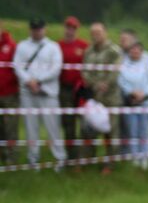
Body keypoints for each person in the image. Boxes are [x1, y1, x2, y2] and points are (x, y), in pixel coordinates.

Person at [15, 18, 67, 165]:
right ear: (30, 29)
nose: (36, 32)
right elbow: (17, 67)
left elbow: (56, 68)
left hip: (48, 92)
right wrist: (29, 81)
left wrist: (38, 80)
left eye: (39, 29)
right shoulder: (22, 46)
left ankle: (60, 159)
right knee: (31, 128)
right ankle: (33, 159)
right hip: (28, 93)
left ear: (44, 29)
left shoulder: (53, 46)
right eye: (34, 29)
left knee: (53, 127)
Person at [81, 22, 124, 169]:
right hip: (94, 98)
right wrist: (94, 84)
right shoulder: (88, 51)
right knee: (88, 130)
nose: (96, 36)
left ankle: (110, 165)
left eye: (98, 32)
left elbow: (116, 70)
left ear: (105, 32)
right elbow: (84, 71)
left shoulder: (114, 50)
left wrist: (105, 83)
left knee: (111, 132)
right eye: (93, 33)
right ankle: (87, 160)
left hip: (111, 98)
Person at [117, 38, 148, 169]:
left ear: (142, 51)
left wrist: (143, 94)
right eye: (132, 49)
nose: (135, 52)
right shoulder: (124, 64)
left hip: (145, 102)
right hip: (130, 102)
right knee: (132, 131)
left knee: (144, 131)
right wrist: (132, 93)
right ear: (129, 51)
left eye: (137, 49)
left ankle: (145, 158)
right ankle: (134, 158)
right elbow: (121, 81)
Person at [58, 15, 88, 153]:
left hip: (80, 88)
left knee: (84, 120)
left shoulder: (84, 46)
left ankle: (84, 153)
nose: (70, 31)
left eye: (73, 28)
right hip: (64, 88)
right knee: (68, 121)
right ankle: (71, 153)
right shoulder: (58, 45)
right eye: (68, 28)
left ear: (77, 30)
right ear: (64, 28)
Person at [0, 27, 21, 163]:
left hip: (10, 94)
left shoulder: (12, 46)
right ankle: (2, 154)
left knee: (10, 126)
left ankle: (12, 157)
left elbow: (18, 69)